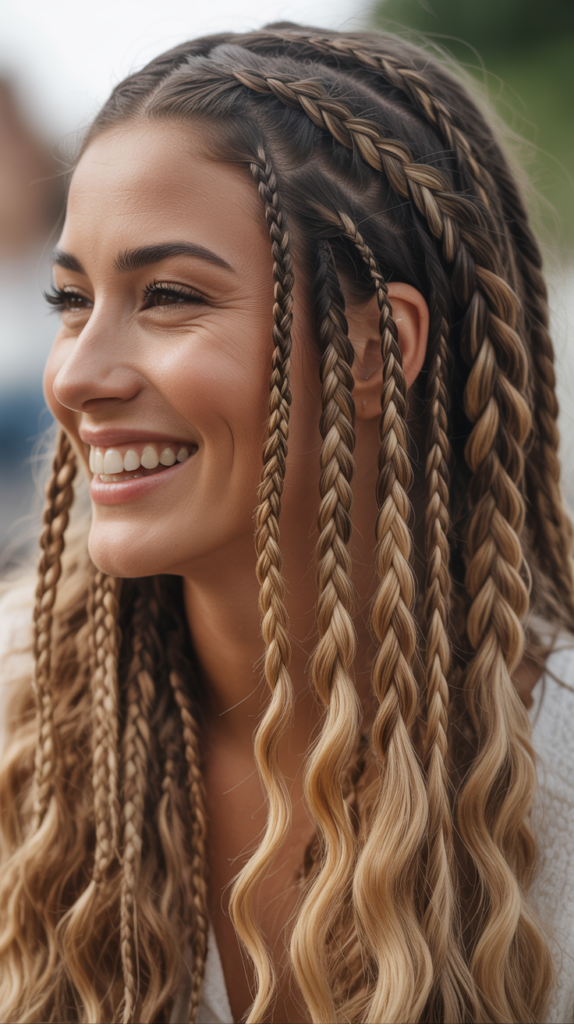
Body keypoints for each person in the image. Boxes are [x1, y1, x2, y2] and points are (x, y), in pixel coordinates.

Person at [0, 23, 573, 1024]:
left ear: (373, 348)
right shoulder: (21, 747)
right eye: (71, 298)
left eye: (168, 296)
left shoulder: (553, 771)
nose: (80, 375)